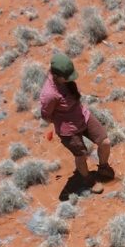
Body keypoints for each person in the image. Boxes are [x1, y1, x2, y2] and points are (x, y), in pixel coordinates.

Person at [39, 53, 114, 192]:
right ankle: (88, 180)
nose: (70, 79)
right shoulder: (49, 94)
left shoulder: (64, 80)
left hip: (82, 116)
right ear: (56, 76)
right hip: (69, 130)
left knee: (105, 142)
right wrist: (61, 121)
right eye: (66, 77)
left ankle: (103, 167)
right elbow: (46, 115)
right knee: (81, 155)